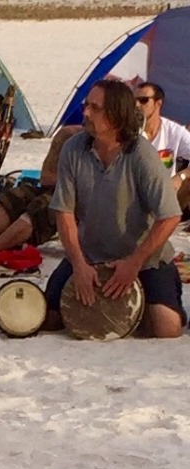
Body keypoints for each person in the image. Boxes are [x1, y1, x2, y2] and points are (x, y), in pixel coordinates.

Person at [45, 79, 184, 339]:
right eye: (87, 105)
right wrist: (78, 264)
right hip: (89, 255)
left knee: (167, 329)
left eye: (95, 108)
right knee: (48, 319)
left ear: (116, 114)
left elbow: (170, 215)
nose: (85, 113)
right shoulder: (73, 149)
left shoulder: (142, 154)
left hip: (145, 259)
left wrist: (134, 263)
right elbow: (64, 212)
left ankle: (133, 309)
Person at [0, 125, 80, 258]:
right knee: (14, 196)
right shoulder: (72, 135)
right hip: (57, 185)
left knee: (43, 206)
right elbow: (46, 179)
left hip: (79, 194)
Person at [135, 80, 190, 217]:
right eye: (134, 100)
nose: (136, 105)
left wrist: (180, 177)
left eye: (143, 100)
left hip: (162, 200)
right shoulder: (128, 131)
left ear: (158, 103)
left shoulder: (174, 131)